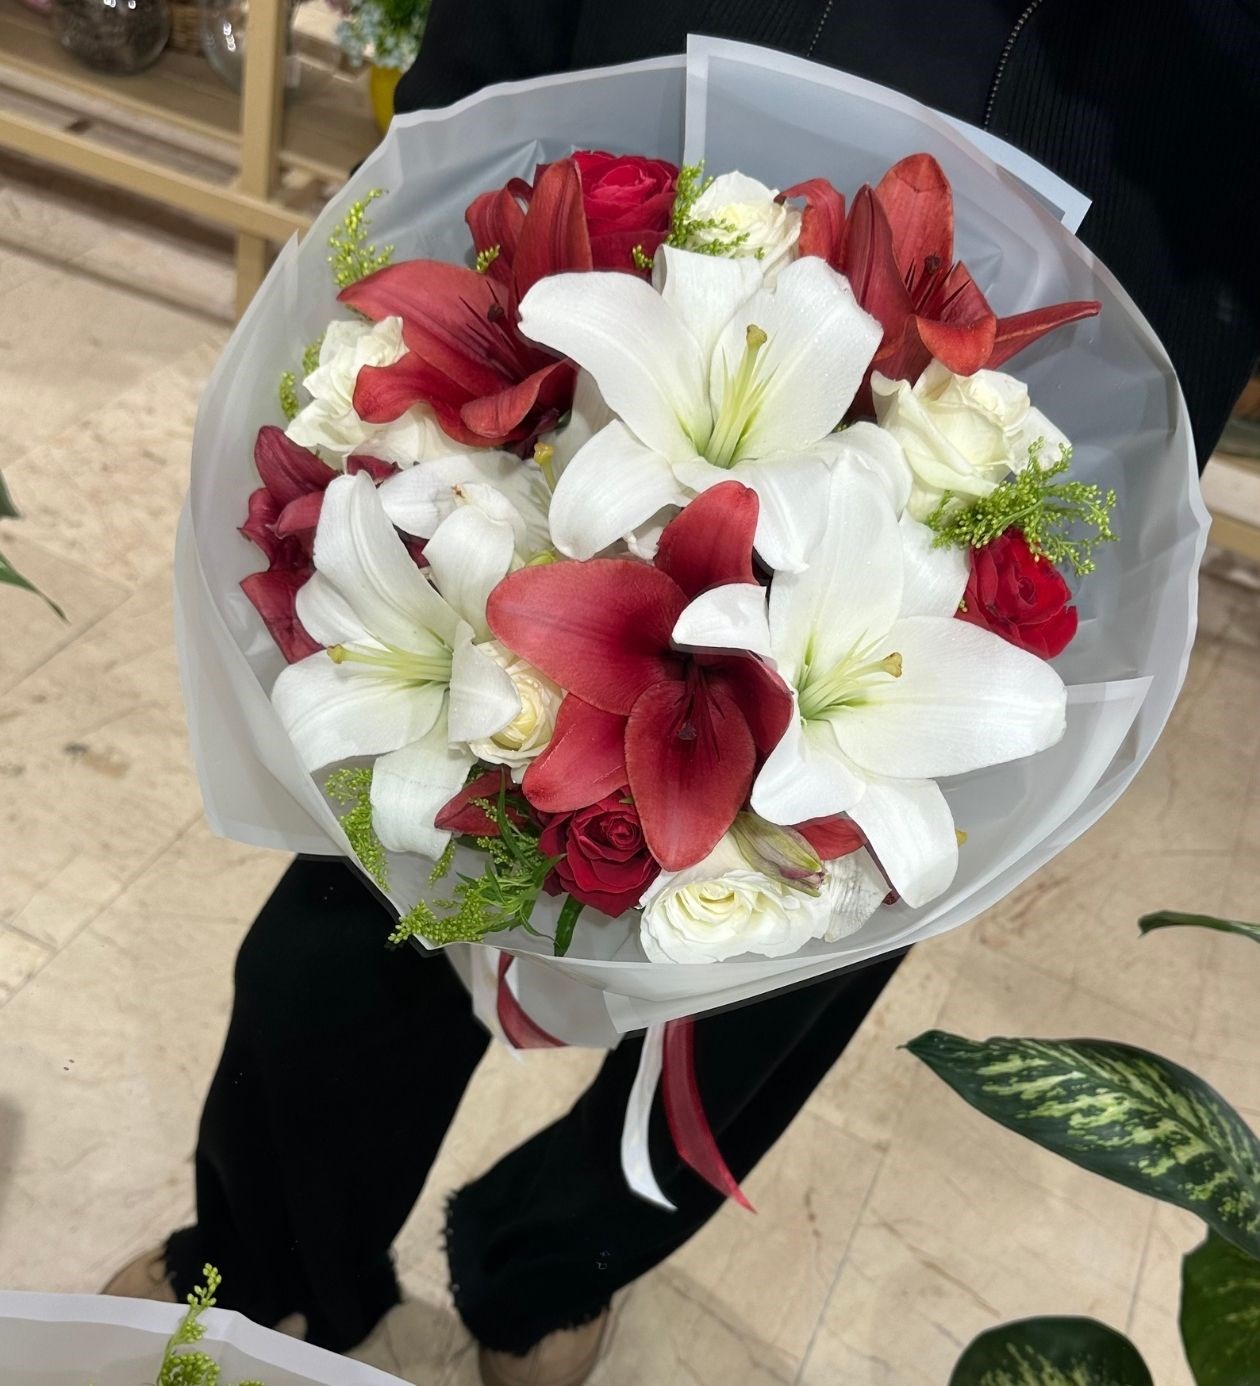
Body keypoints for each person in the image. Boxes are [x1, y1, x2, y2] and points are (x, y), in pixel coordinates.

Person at [105, 4, 1259, 1385]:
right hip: (674, 77)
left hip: (1134, 159)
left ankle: (549, 1265)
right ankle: (269, 1253)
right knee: (378, 889)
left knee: (800, 919)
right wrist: (457, 125)